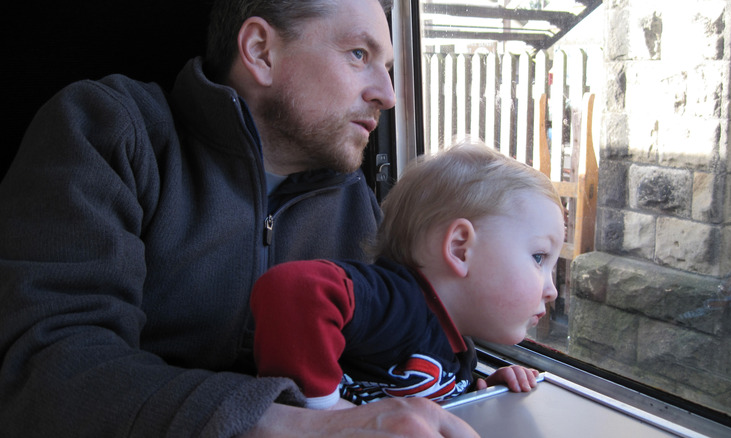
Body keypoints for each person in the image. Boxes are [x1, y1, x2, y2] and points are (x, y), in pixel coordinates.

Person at [0, 0, 481, 436]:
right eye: (359, 54)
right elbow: (45, 368)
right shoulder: (111, 132)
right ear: (260, 51)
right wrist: (296, 427)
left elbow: (393, 343)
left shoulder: (353, 199)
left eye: (389, 67)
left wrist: (467, 381)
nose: (387, 94)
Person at [251, 141, 565, 410]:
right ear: (460, 249)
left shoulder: (459, 350)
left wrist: (480, 394)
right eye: (539, 257)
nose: (552, 290)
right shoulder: (393, 302)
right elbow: (292, 291)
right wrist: (324, 411)